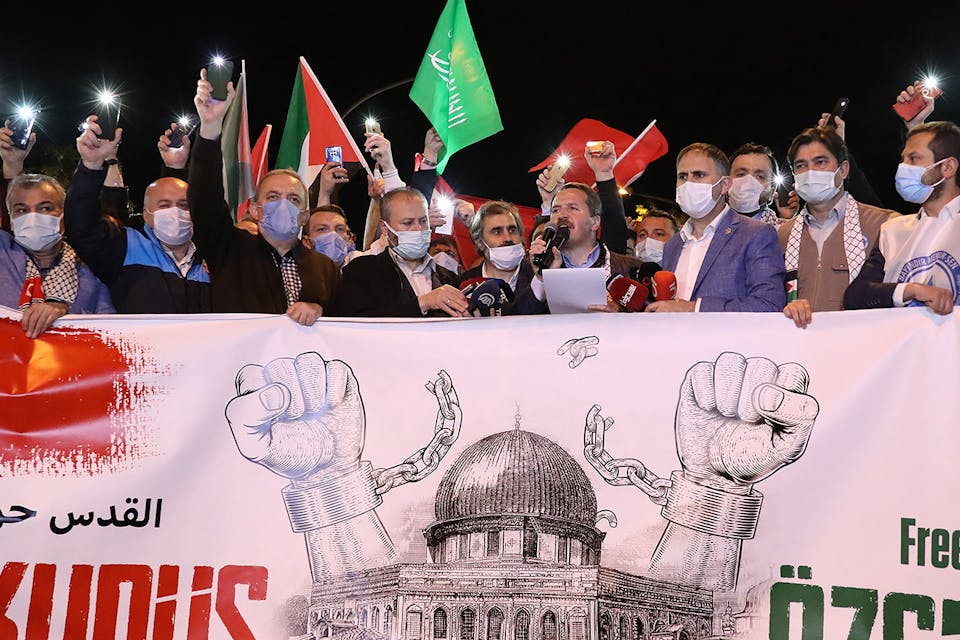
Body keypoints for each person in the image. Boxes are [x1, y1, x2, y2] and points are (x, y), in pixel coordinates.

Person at [189, 68, 339, 325]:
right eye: (272, 197)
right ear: (256, 210)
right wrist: (211, 128)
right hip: (241, 364)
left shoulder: (325, 268)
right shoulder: (229, 249)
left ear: (304, 215)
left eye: (293, 199)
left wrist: (320, 310)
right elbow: (205, 199)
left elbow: (348, 324)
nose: (283, 204)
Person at [63, 117, 211, 314]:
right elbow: (82, 228)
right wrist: (91, 166)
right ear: (147, 215)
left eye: (183, 205)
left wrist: (176, 167)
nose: (175, 212)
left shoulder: (211, 257)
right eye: (164, 206)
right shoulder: (125, 247)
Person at [779, 127, 899, 328]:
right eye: (801, 165)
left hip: (865, 345)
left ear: (843, 170)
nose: (810, 172)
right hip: (800, 348)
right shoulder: (782, 234)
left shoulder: (884, 224)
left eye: (821, 162)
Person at [647, 142, 786, 313]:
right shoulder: (673, 245)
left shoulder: (756, 234)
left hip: (729, 340)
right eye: (682, 176)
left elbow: (769, 304)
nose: (689, 183)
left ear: (725, 185)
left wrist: (693, 308)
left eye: (699, 175)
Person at [844, 120, 960, 315]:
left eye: (914, 159)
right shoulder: (893, 230)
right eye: (903, 159)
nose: (903, 168)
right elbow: (855, 296)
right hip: (909, 345)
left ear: (948, 167)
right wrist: (910, 290)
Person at [1, 173, 114, 337]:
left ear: (63, 214)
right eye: (21, 210)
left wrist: (66, 313)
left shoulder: (90, 275)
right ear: (11, 220)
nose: (33, 217)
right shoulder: (3, 253)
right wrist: (11, 165)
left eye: (45, 208)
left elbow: (111, 332)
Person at [332, 187, 464, 317]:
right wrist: (422, 303)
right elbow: (355, 323)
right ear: (384, 228)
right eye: (408, 223)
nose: (418, 229)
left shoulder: (450, 278)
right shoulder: (361, 271)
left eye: (423, 221)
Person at [528, 181, 644, 313]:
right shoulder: (533, 267)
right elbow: (516, 321)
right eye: (556, 210)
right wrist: (541, 278)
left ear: (595, 222)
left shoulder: (632, 269)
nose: (562, 215)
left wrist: (621, 315)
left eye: (572, 208)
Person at [461, 200, 541, 315]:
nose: (508, 238)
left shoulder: (538, 277)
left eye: (512, 230)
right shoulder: (464, 283)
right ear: (479, 242)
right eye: (497, 231)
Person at [726, 143, 795, 226]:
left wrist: (788, 225)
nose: (749, 182)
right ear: (726, 183)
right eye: (741, 174)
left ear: (772, 192)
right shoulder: (709, 223)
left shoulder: (780, 231)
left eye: (759, 176)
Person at [302, 204, 354, 268]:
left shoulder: (359, 272)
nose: (333, 235)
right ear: (306, 242)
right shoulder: (294, 275)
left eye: (340, 229)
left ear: (348, 239)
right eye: (322, 229)